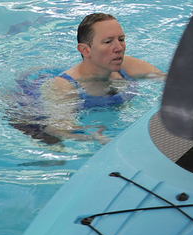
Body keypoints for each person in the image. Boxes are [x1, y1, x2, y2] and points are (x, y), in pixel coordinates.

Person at [37, 13, 164, 142]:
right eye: (108, 42)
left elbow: (170, 81)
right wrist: (91, 137)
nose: (119, 48)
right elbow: (56, 128)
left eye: (121, 39)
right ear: (85, 50)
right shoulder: (64, 86)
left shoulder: (127, 65)